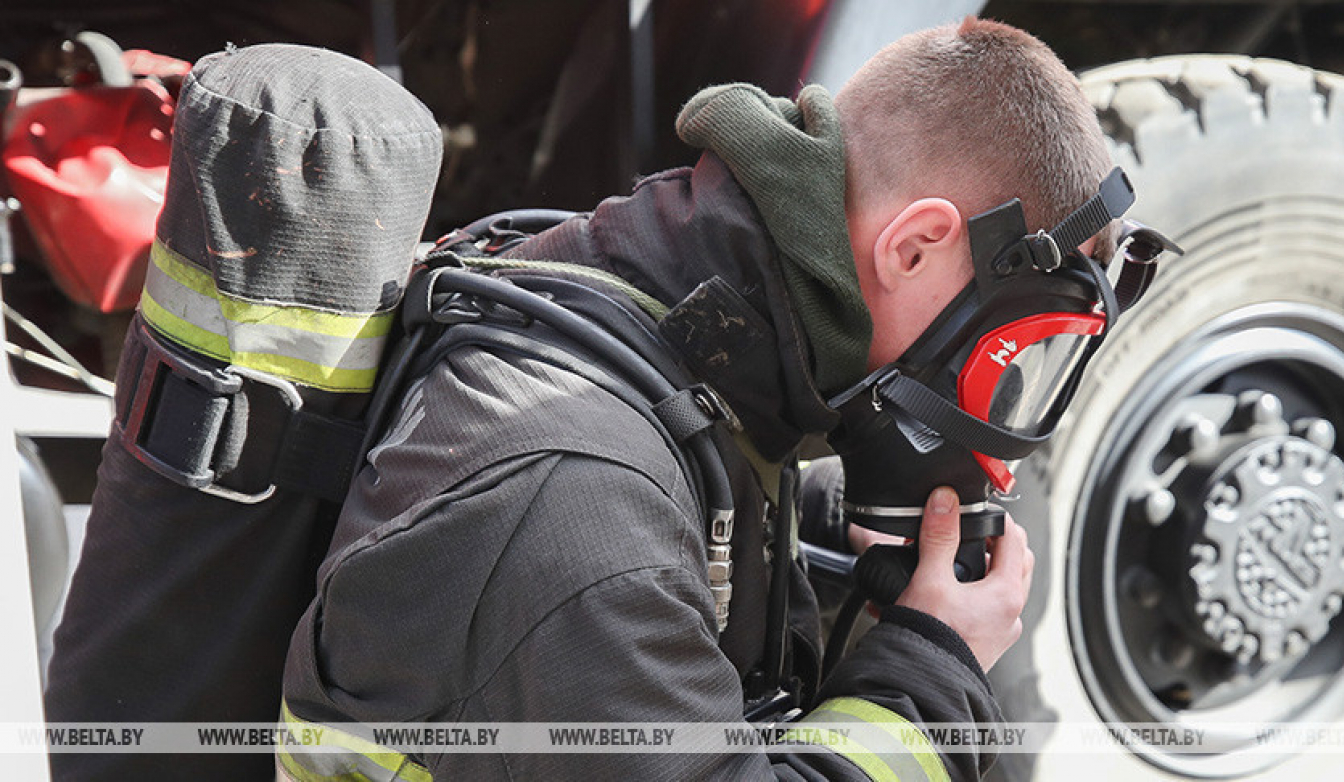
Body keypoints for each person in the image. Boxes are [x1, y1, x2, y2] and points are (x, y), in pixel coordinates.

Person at [276, 19, 1115, 781]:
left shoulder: (676, 309)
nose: (991, 398)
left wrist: (818, 532)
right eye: (1003, 347)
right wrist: (933, 671)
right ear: (915, 246)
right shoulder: (581, 509)